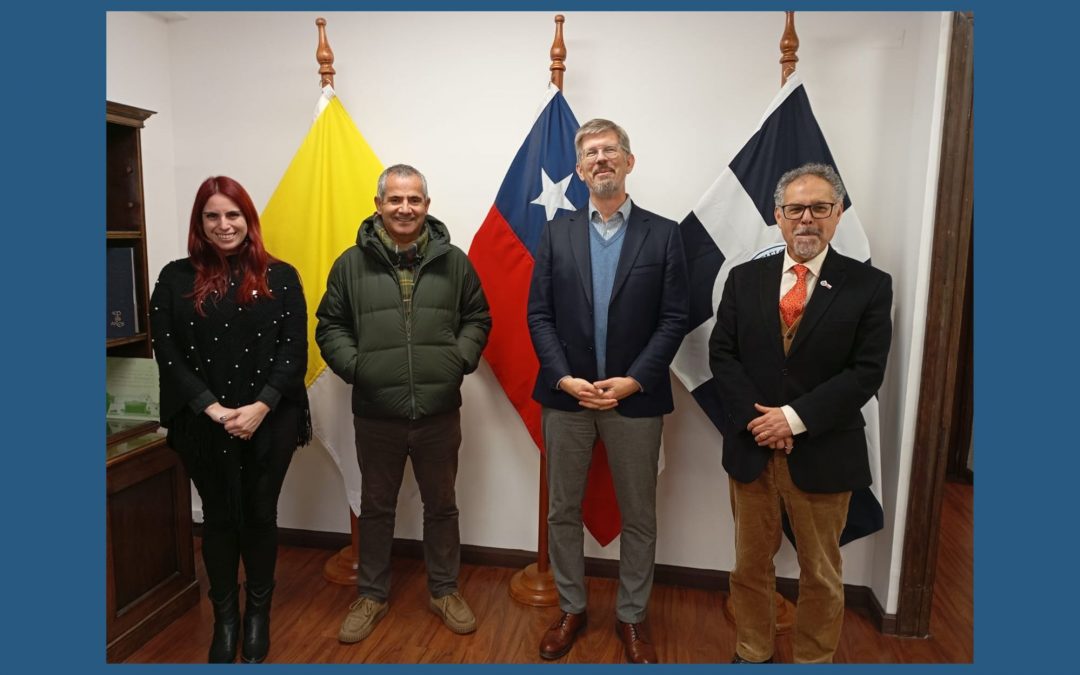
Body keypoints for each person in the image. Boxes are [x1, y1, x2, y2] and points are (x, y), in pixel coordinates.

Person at [708, 163, 893, 664]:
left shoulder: (870, 286)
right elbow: (722, 355)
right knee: (749, 567)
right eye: (795, 209)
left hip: (825, 452)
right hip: (752, 449)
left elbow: (865, 372)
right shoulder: (745, 279)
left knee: (821, 574)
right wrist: (760, 421)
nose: (806, 219)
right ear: (778, 216)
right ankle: (752, 652)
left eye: (819, 208)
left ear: (837, 215)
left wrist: (792, 419)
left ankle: (813, 661)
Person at [527, 119, 689, 664]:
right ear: (578, 170)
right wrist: (564, 377)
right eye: (590, 153)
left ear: (628, 161)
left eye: (609, 150)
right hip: (567, 397)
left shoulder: (663, 234)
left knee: (639, 514)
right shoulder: (556, 233)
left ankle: (633, 616)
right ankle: (572, 608)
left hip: (635, 400)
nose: (600, 159)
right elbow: (539, 314)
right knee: (561, 511)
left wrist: (635, 378)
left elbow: (674, 318)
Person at [315, 164, 491, 644]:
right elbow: (329, 326)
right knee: (375, 507)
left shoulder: (454, 261)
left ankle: (444, 590)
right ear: (378, 205)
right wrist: (360, 369)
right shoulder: (350, 264)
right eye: (395, 199)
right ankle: (371, 594)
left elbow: (478, 315)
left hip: (438, 411)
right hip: (376, 413)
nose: (404, 208)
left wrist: (459, 359)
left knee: (442, 506)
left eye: (414, 200)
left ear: (427, 206)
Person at [151, 176, 311, 663]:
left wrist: (260, 407)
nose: (224, 225)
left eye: (233, 214)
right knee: (219, 518)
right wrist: (214, 409)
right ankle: (225, 619)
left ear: (249, 218)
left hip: (271, 417)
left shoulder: (281, 276)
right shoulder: (174, 278)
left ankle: (257, 614)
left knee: (260, 514)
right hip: (203, 421)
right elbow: (168, 353)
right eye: (212, 216)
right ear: (199, 223)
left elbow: (294, 352)